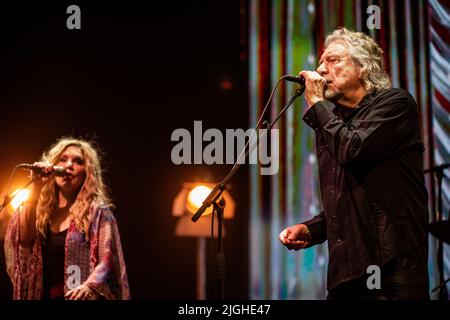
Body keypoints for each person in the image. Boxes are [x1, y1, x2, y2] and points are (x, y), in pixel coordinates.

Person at [279, 28, 429, 300]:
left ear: (362, 67)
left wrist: (316, 103)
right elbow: (347, 199)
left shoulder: (395, 104)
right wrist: (311, 229)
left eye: (333, 60)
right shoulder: (332, 122)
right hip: (345, 275)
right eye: (321, 62)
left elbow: (353, 149)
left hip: (391, 272)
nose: (321, 70)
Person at [4, 137, 130, 300]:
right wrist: (36, 187)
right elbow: (24, 241)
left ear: (87, 172)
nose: (69, 165)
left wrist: (90, 285)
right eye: (62, 160)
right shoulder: (42, 211)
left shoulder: (99, 212)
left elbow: (107, 259)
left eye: (78, 161)